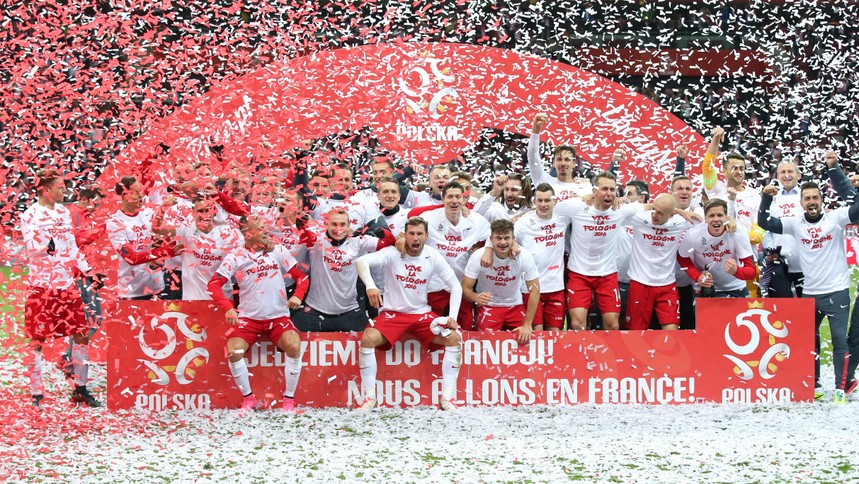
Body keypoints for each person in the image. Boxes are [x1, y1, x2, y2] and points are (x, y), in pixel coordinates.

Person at [758, 179, 859, 404]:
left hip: (837, 291)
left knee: (839, 342)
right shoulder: (795, 223)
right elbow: (764, 222)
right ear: (801, 202)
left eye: (815, 198)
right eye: (807, 198)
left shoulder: (835, 218)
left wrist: (856, 188)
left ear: (822, 200)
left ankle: (840, 389)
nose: (811, 202)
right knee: (807, 342)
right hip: (810, 293)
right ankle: (814, 385)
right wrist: (766, 197)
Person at [354, 217, 463, 411]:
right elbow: (361, 261)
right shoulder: (393, 252)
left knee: (454, 338)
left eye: (419, 234)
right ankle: (370, 398)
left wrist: (452, 317)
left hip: (421, 314)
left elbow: (456, 286)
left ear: (427, 236)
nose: (415, 238)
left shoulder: (433, 255)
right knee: (368, 339)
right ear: (404, 235)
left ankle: (447, 399)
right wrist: (370, 286)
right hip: (393, 314)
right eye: (411, 233)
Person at [207, 216, 309, 412]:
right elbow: (213, 284)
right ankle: (249, 399)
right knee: (233, 350)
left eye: (265, 227)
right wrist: (228, 308)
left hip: (278, 317)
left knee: (294, 346)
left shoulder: (277, 250)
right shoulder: (235, 257)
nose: (265, 231)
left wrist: (297, 296)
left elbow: (301, 277)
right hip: (249, 319)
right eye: (260, 228)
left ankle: (288, 400)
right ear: (247, 234)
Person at [21, 170, 100, 407]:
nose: (64, 191)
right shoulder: (30, 214)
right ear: (46, 189)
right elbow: (32, 248)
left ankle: (80, 389)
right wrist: (46, 247)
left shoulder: (64, 212)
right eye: (60, 187)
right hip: (42, 287)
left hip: (66, 284)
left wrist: (88, 270)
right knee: (36, 341)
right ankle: (36, 393)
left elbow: (71, 246)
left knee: (82, 333)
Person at [554, 171, 645, 330]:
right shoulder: (577, 206)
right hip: (579, 273)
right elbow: (549, 208)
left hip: (607, 275)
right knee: (577, 324)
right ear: (594, 191)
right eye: (604, 189)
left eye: (612, 189)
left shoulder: (620, 210)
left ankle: (605, 348)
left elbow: (652, 207)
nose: (609, 193)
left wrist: (681, 212)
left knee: (613, 325)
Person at [292, 209, 393, 332]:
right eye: (334, 224)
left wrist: (381, 230)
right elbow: (307, 237)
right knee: (290, 337)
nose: (338, 229)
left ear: (349, 226)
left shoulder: (358, 241)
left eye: (343, 225)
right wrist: (302, 225)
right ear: (326, 224)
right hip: (314, 309)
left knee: (371, 338)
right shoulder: (317, 239)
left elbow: (388, 243)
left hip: (349, 310)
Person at [410, 181, 490, 330]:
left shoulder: (475, 220)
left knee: (465, 328)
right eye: (450, 197)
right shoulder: (429, 218)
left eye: (458, 197)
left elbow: (493, 236)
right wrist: (401, 240)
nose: (454, 201)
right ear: (442, 199)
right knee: (430, 328)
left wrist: (487, 250)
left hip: (461, 285)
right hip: (433, 285)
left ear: (464, 199)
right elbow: (410, 220)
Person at [625, 194, 696, 331]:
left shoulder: (680, 222)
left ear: (671, 214)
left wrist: (729, 220)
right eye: (654, 210)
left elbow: (709, 221)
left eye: (660, 213)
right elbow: (616, 211)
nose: (654, 215)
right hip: (640, 282)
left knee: (672, 331)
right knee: (636, 332)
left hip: (667, 285)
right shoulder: (640, 218)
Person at [462, 219, 539, 343]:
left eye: (507, 238)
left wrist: (527, 325)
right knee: (485, 343)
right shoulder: (478, 256)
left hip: (515, 305)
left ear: (513, 239)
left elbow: (535, 291)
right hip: (489, 306)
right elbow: (465, 288)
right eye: (498, 238)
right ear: (491, 239)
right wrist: (476, 297)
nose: (503, 242)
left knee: (526, 341)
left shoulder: (524, 256)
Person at [511, 183, 569, 331]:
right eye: (540, 200)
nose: (543, 205)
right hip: (531, 287)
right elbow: (507, 238)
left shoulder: (563, 217)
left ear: (555, 201)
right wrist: (513, 244)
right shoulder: (523, 222)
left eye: (547, 200)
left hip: (555, 286)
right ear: (534, 202)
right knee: (537, 332)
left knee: (555, 333)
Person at [106, 176, 174, 300]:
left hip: (158, 287)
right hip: (132, 292)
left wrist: (160, 255)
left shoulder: (149, 213)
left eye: (140, 191)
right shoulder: (115, 223)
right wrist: (164, 252)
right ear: (124, 196)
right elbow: (131, 258)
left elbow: (168, 235)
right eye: (136, 192)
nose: (141, 195)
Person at [677, 199, 756, 298]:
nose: (716, 219)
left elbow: (751, 272)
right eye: (711, 216)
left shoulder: (738, 233)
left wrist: (737, 271)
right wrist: (697, 277)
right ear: (705, 218)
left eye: (720, 215)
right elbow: (682, 257)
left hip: (735, 287)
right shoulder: (693, 234)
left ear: (726, 217)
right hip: (704, 287)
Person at [762, 160, 805, 298]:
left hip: (805, 262)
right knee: (781, 307)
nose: (786, 175)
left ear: (799, 175)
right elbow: (767, 230)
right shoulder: (771, 198)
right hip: (778, 262)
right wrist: (770, 249)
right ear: (777, 176)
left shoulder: (807, 196)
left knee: (809, 307)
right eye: (783, 172)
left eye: (790, 171)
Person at [528, 113, 591, 201]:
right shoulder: (544, 181)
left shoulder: (584, 186)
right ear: (554, 163)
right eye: (559, 159)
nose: (563, 163)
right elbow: (532, 156)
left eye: (567, 159)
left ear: (574, 163)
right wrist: (536, 128)